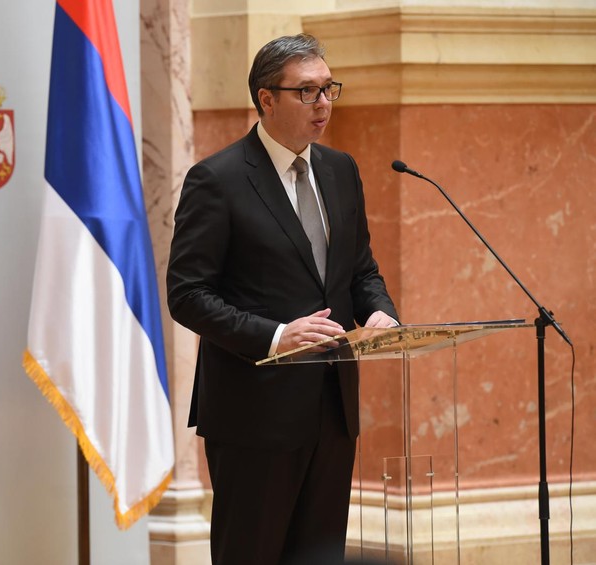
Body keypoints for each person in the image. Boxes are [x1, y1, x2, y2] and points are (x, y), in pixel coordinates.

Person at [167, 33, 399, 564]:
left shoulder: (341, 170)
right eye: (307, 91)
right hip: (254, 413)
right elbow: (187, 293)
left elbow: (359, 269)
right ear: (266, 99)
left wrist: (380, 312)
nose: (323, 104)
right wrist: (276, 336)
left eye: (328, 89)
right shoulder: (217, 179)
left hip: (332, 409)